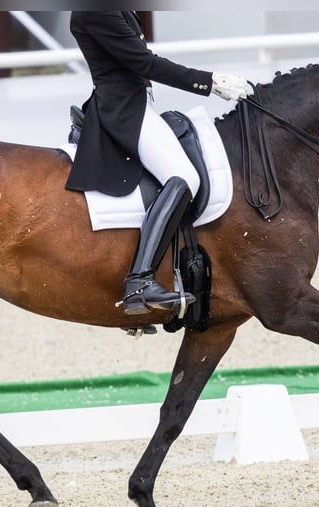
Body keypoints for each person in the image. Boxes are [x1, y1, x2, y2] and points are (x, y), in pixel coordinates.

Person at [66, 11, 251, 315]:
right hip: (123, 110)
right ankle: (139, 282)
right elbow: (144, 62)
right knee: (184, 177)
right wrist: (209, 82)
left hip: (136, 103)